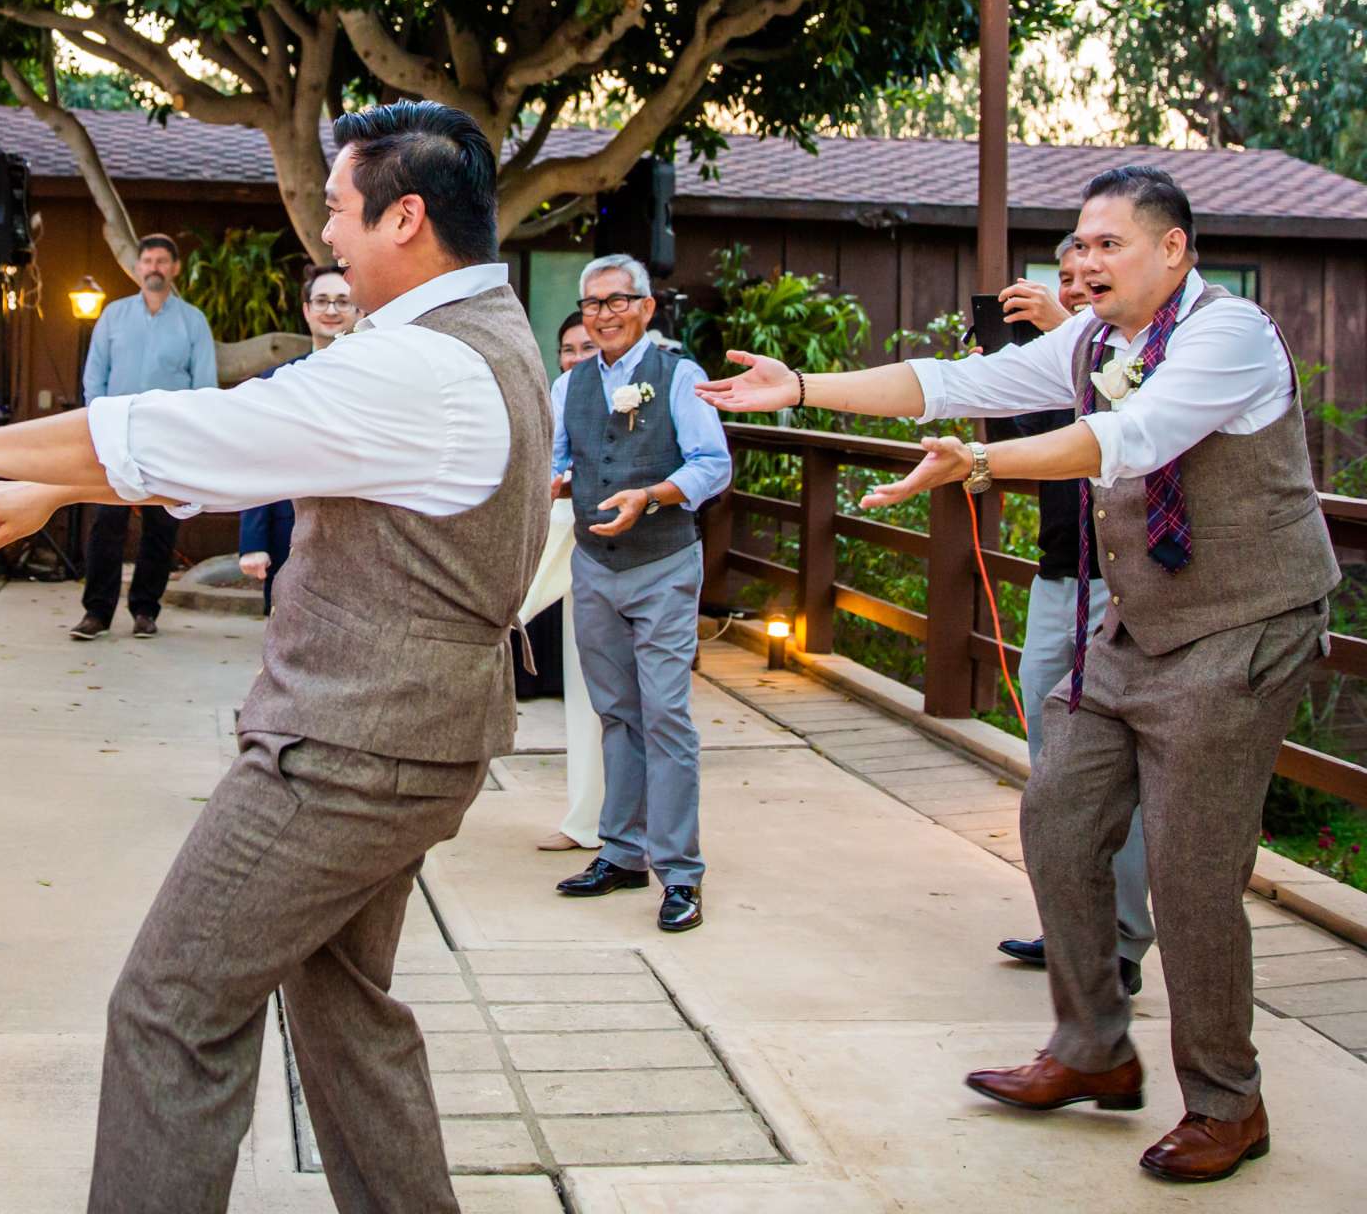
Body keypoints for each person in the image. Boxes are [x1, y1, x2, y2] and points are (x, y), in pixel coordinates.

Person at [0, 100, 553, 1214]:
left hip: (351, 748)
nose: (327, 239)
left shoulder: (422, 367)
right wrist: (45, 488)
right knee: (346, 1012)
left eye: (339, 213)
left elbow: (192, 430)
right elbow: (239, 451)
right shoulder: (479, 340)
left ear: (406, 216)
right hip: (415, 734)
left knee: (170, 1010)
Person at [697, 164, 1339, 1185]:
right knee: (1056, 810)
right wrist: (807, 387)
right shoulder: (1093, 340)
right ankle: (1094, 1048)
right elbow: (958, 383)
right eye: (1076, 245)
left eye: (1107, 244)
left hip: (1244, 625)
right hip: (1143, 621)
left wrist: (987, 466)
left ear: (1173, 250)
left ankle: (1230, 1102)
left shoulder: (1230, 333)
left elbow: (1131, 439)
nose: (1082, 262)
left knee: (1188, 871)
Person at [550, 255, 732, 932]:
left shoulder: (680, 377)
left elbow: (712, 464)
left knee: (665, 715)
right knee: (617, 713)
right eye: (592, 304)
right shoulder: (569, 386)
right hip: (596, 564)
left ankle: (680, 873)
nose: (604, 314)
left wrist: (653, 496)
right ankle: (622, 852)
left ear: (647, 308)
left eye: (617, 301)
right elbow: (555, 456)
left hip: (663, 563)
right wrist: (555, 478)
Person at [992, 240, 1154, 997]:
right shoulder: (1052, 358)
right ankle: (1070, 925)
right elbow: (1012, 454)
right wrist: (1011, 351)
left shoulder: (1142, 354)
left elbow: (1132, 434)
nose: (1073, 292)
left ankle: (1121, 939)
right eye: (1061, 282)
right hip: (1057, 573)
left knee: (1112, 765)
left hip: (1126, 586)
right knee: (1052, 761)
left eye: (1088, 282)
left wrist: (1068, 327)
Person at [74, 234, 216, 640]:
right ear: (137, 268)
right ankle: (96, 613)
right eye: (147, 260)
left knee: (161, 524)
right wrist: (98, 424)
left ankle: (144, 611)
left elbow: (204, 384)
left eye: (161, 261)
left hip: (166, 439)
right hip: (115, 434)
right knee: (106, 523)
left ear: (174, 268)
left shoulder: (193, 322)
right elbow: (93, 377)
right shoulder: (113, 317)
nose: (154, 267)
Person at [236, 263, 356, 613]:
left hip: (359, 538)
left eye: (342, 301)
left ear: (357, 308)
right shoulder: (280, 381)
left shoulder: (379, 378)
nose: (331, 310)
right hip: (288, 534)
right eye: (321, 300)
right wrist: (253, 541)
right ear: (306, 310)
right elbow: (258, 460)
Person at [531, 314, 605, 853]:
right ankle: (586, 819)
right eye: (567, 348)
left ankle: (626, 823)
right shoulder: (559, 389)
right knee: (582, 681)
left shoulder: (648, 383)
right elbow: (551, 460)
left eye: (586, 345)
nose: (576, 356)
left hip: (633, 544)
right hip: (567, 528)